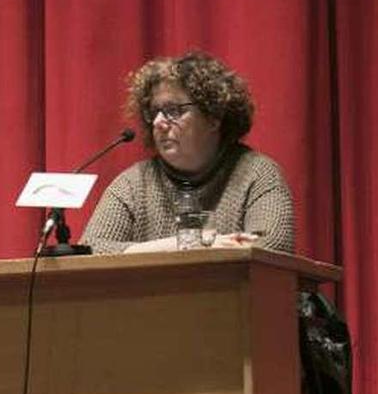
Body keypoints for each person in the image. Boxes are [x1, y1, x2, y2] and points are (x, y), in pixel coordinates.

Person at [80, 51, 295, 254]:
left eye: (174, 110)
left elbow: (271, 248)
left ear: (213, 117)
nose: (158, 122)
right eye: (154, 112)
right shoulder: (134, 183)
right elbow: (91, 250)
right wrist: (192, 244)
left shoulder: (257, 174)